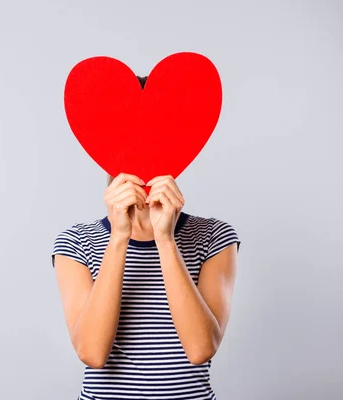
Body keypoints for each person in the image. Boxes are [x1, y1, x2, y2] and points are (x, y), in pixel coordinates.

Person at [51, 76, 241, 400]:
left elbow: (200, 350)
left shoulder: (215, 236)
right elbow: (92, 354)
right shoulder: (75, 242)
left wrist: (166, 239)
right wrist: (118, 237)